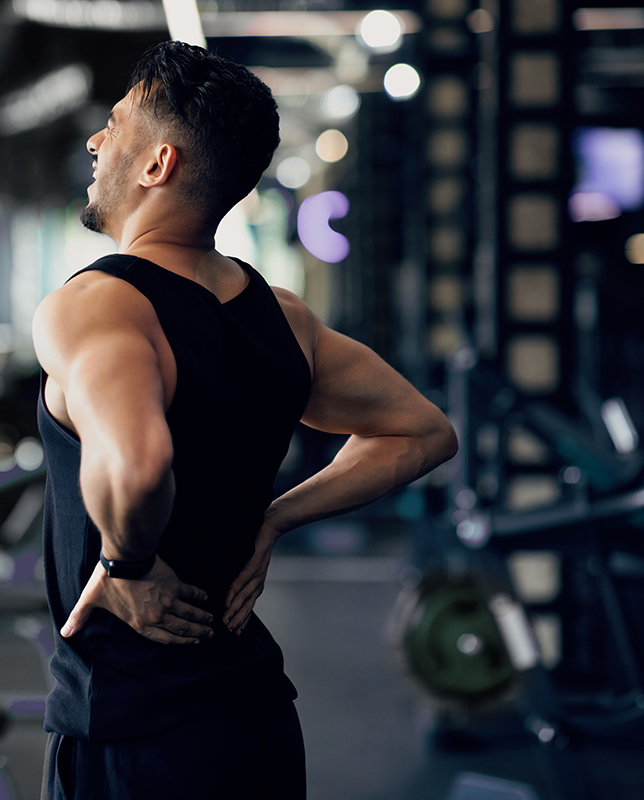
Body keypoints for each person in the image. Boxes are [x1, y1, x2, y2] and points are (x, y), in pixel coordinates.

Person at [32, 41, 458, 799]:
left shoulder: (95, 304)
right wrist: (274, 518)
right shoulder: (285, 318)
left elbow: (136, 464)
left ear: (156, 164)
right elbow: (423, 431)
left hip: (136, 731)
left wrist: (128, 562)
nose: (97, 141)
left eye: (115, 123)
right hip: (255, 718)